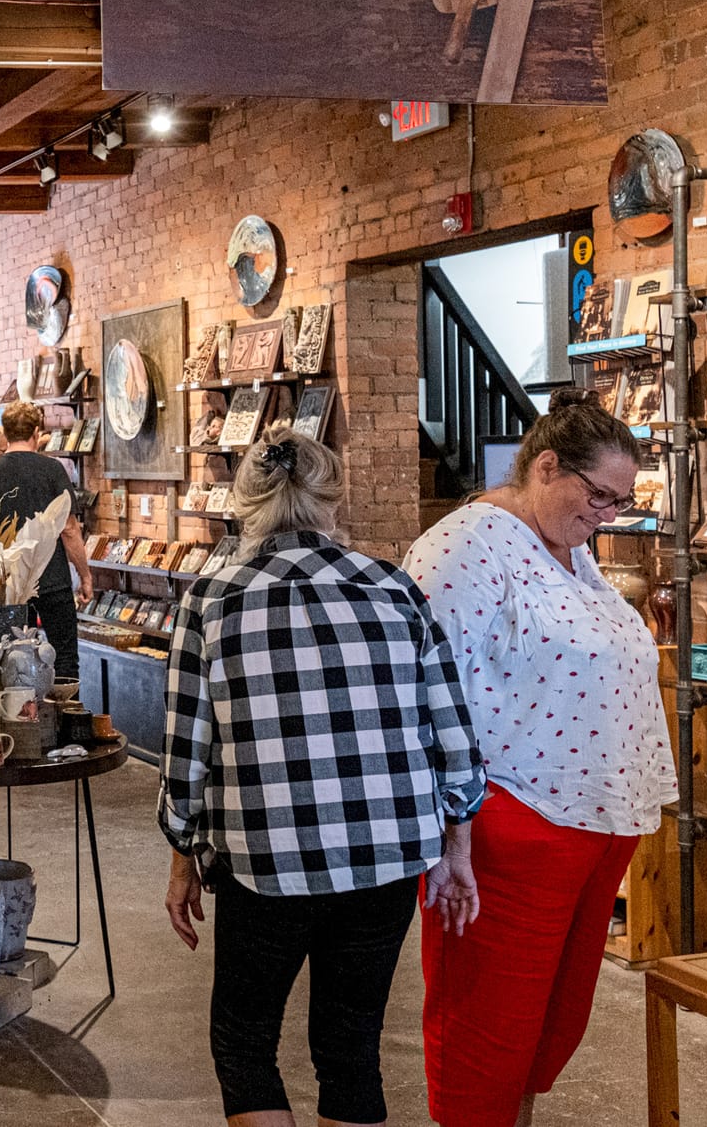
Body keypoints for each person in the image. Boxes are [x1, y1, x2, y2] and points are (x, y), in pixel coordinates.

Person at [161, 427, 485, 1127]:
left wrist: (182, 852)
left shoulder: (212, 599)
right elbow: (454, 738)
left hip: (266, 855)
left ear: (243, 503)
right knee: (350, 1046)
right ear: (333, 498)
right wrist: (457, 851)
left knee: (245, 1040)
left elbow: (188, 748)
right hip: (388, 853)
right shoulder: (394, 587)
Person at [404, 388, 673, 1127]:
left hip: (591, 822)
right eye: (600, 496)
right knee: (486, 1029)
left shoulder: (570, 548)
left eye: (621, 502)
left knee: (545, 1029)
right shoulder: (467, 544)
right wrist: (454, 830)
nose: (607, 514)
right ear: (547, 465)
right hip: (510, 825)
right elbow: (429, 690)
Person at [0, 402, 91, 675]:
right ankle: (64, 716)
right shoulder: (53, 471)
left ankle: (13, 715)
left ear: (6, 433)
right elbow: (69, 530)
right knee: (64, 659)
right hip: (52, 581)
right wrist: (85, 576)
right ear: (36, 432)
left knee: (6, 662)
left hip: (7, 586)